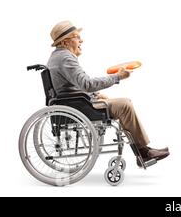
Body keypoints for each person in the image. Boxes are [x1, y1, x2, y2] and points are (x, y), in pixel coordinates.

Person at [47, 20, 169, 167]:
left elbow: (75, 86)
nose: (81, 40)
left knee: (121, 103)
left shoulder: (58, 57)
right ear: (66, 42)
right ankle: (143, 152)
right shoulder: (66, 57)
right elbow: (87, 84)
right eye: (77, 37)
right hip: (78, 107)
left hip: (76, 102)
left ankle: (143, 151)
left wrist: (96, 95)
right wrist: (117, 77)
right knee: (124, 104)